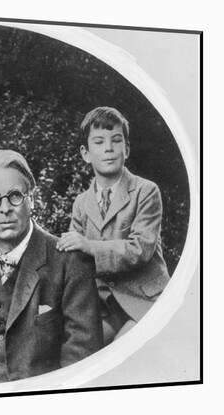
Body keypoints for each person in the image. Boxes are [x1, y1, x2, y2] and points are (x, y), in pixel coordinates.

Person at [0, 150, 102, 384]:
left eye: (14, 196)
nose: (4, 208)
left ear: (31, 199)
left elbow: (82, 355)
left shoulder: (70, 261)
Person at [57, 106, 170, 345]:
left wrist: (89, 246)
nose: (108, 148)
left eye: (116, 141)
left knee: (119, 352)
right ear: (85, 153)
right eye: (98, 142)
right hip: (104, 306)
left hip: (144, 301)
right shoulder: (81, 203)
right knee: (77, 350)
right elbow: (74, 261)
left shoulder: (146, 191)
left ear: (126, 149)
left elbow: (140, 249)